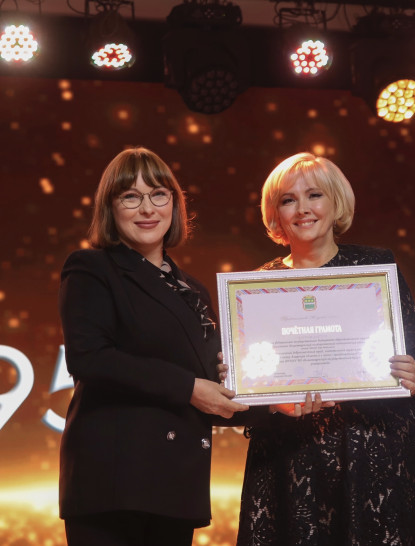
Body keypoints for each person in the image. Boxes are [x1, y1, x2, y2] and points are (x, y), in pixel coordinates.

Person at [236, 152, 415, 545]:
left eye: (314, 195)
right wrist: (255, 389)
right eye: (288, 200)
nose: (302, 209)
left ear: (336, 202)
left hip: (375, 446)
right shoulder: (257, 288)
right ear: (275, 214)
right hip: (294, 456)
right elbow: (253, 385)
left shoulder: (375, 266)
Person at [58, 146, 248, 546]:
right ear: (111, 207)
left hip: (176, 483)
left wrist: (279, 400)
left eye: (159, 195)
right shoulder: (92, 268)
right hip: (114, 483)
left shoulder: (193, 289)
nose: (147, 208)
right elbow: (90, 358)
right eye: (131, 196)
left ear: (174, 204)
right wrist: (189, 388)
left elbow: (214, 387)